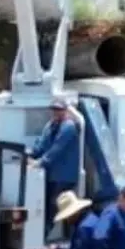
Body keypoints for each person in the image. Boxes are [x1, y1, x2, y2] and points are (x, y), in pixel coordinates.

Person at [27, 98, 81, 240]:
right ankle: (39, 237)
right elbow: (41, 145)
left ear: (66, 110)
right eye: (54, 109)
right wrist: (28, 154)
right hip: (51, 175)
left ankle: (43, 238)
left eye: (59, 109)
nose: (56, 112)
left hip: (64, 176)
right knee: (44, 207)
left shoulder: (69, 127)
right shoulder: (50, 125)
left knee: (53, 208)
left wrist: (39, 163)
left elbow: (57, 149)